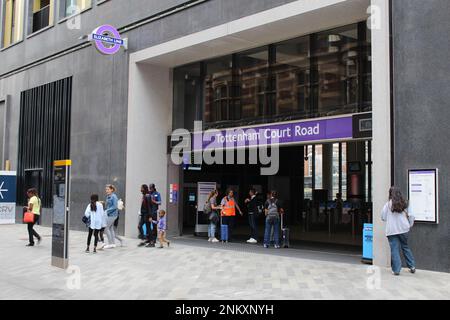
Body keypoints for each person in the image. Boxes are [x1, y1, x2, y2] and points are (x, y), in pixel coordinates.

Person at [382, 187, 416, 276]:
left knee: (394, 249)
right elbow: (411, 216)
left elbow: (383, 217)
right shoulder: (406, 203)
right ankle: (412, 266)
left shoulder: (388, 204)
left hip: (391, 230)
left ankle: (396, 270)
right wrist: (409, 225)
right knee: (405, 246)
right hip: (404, 229)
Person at [103, 185, 120, 249]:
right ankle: (113, 244)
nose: (106, 190)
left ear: (112, 189)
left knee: (106, 228)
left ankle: (110, 243)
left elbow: (115, 206)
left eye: (108, 189)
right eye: (106, 189)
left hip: (112, 215)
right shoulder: (108, 196)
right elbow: (108, 205)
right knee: (110, 228)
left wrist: (107, 211)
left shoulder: (114, 197)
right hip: (110, 214)